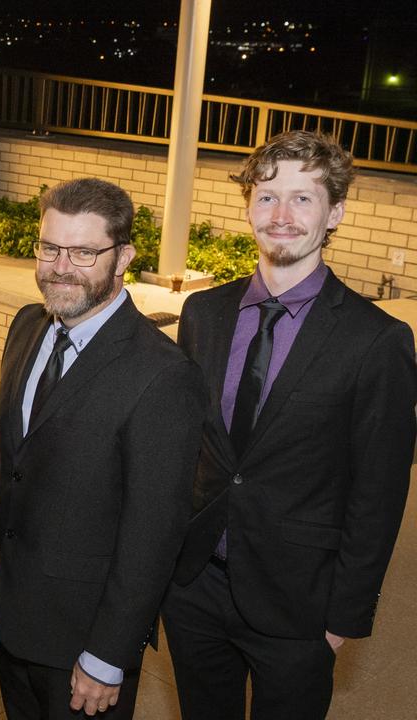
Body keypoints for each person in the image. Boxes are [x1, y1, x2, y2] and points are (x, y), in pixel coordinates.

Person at [163, 131, 417, 720]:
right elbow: (189, 450)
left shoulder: (376, 340)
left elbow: (378, 494)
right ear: (248, 205)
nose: (281, 215)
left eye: (304, 198)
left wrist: (343, 619)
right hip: (195, 587)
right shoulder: (204, 312)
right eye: (268, 195)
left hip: (300, 605)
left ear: (336, 213)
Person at [0, 178, 207, 719]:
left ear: (124, 256)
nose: (60, 267)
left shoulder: (162, 374)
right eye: (50, 248)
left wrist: (108, 655)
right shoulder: (26, 326)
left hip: (85, 642)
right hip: (14, 618)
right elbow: (11, 462)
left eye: (84, 252)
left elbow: (153, 532)